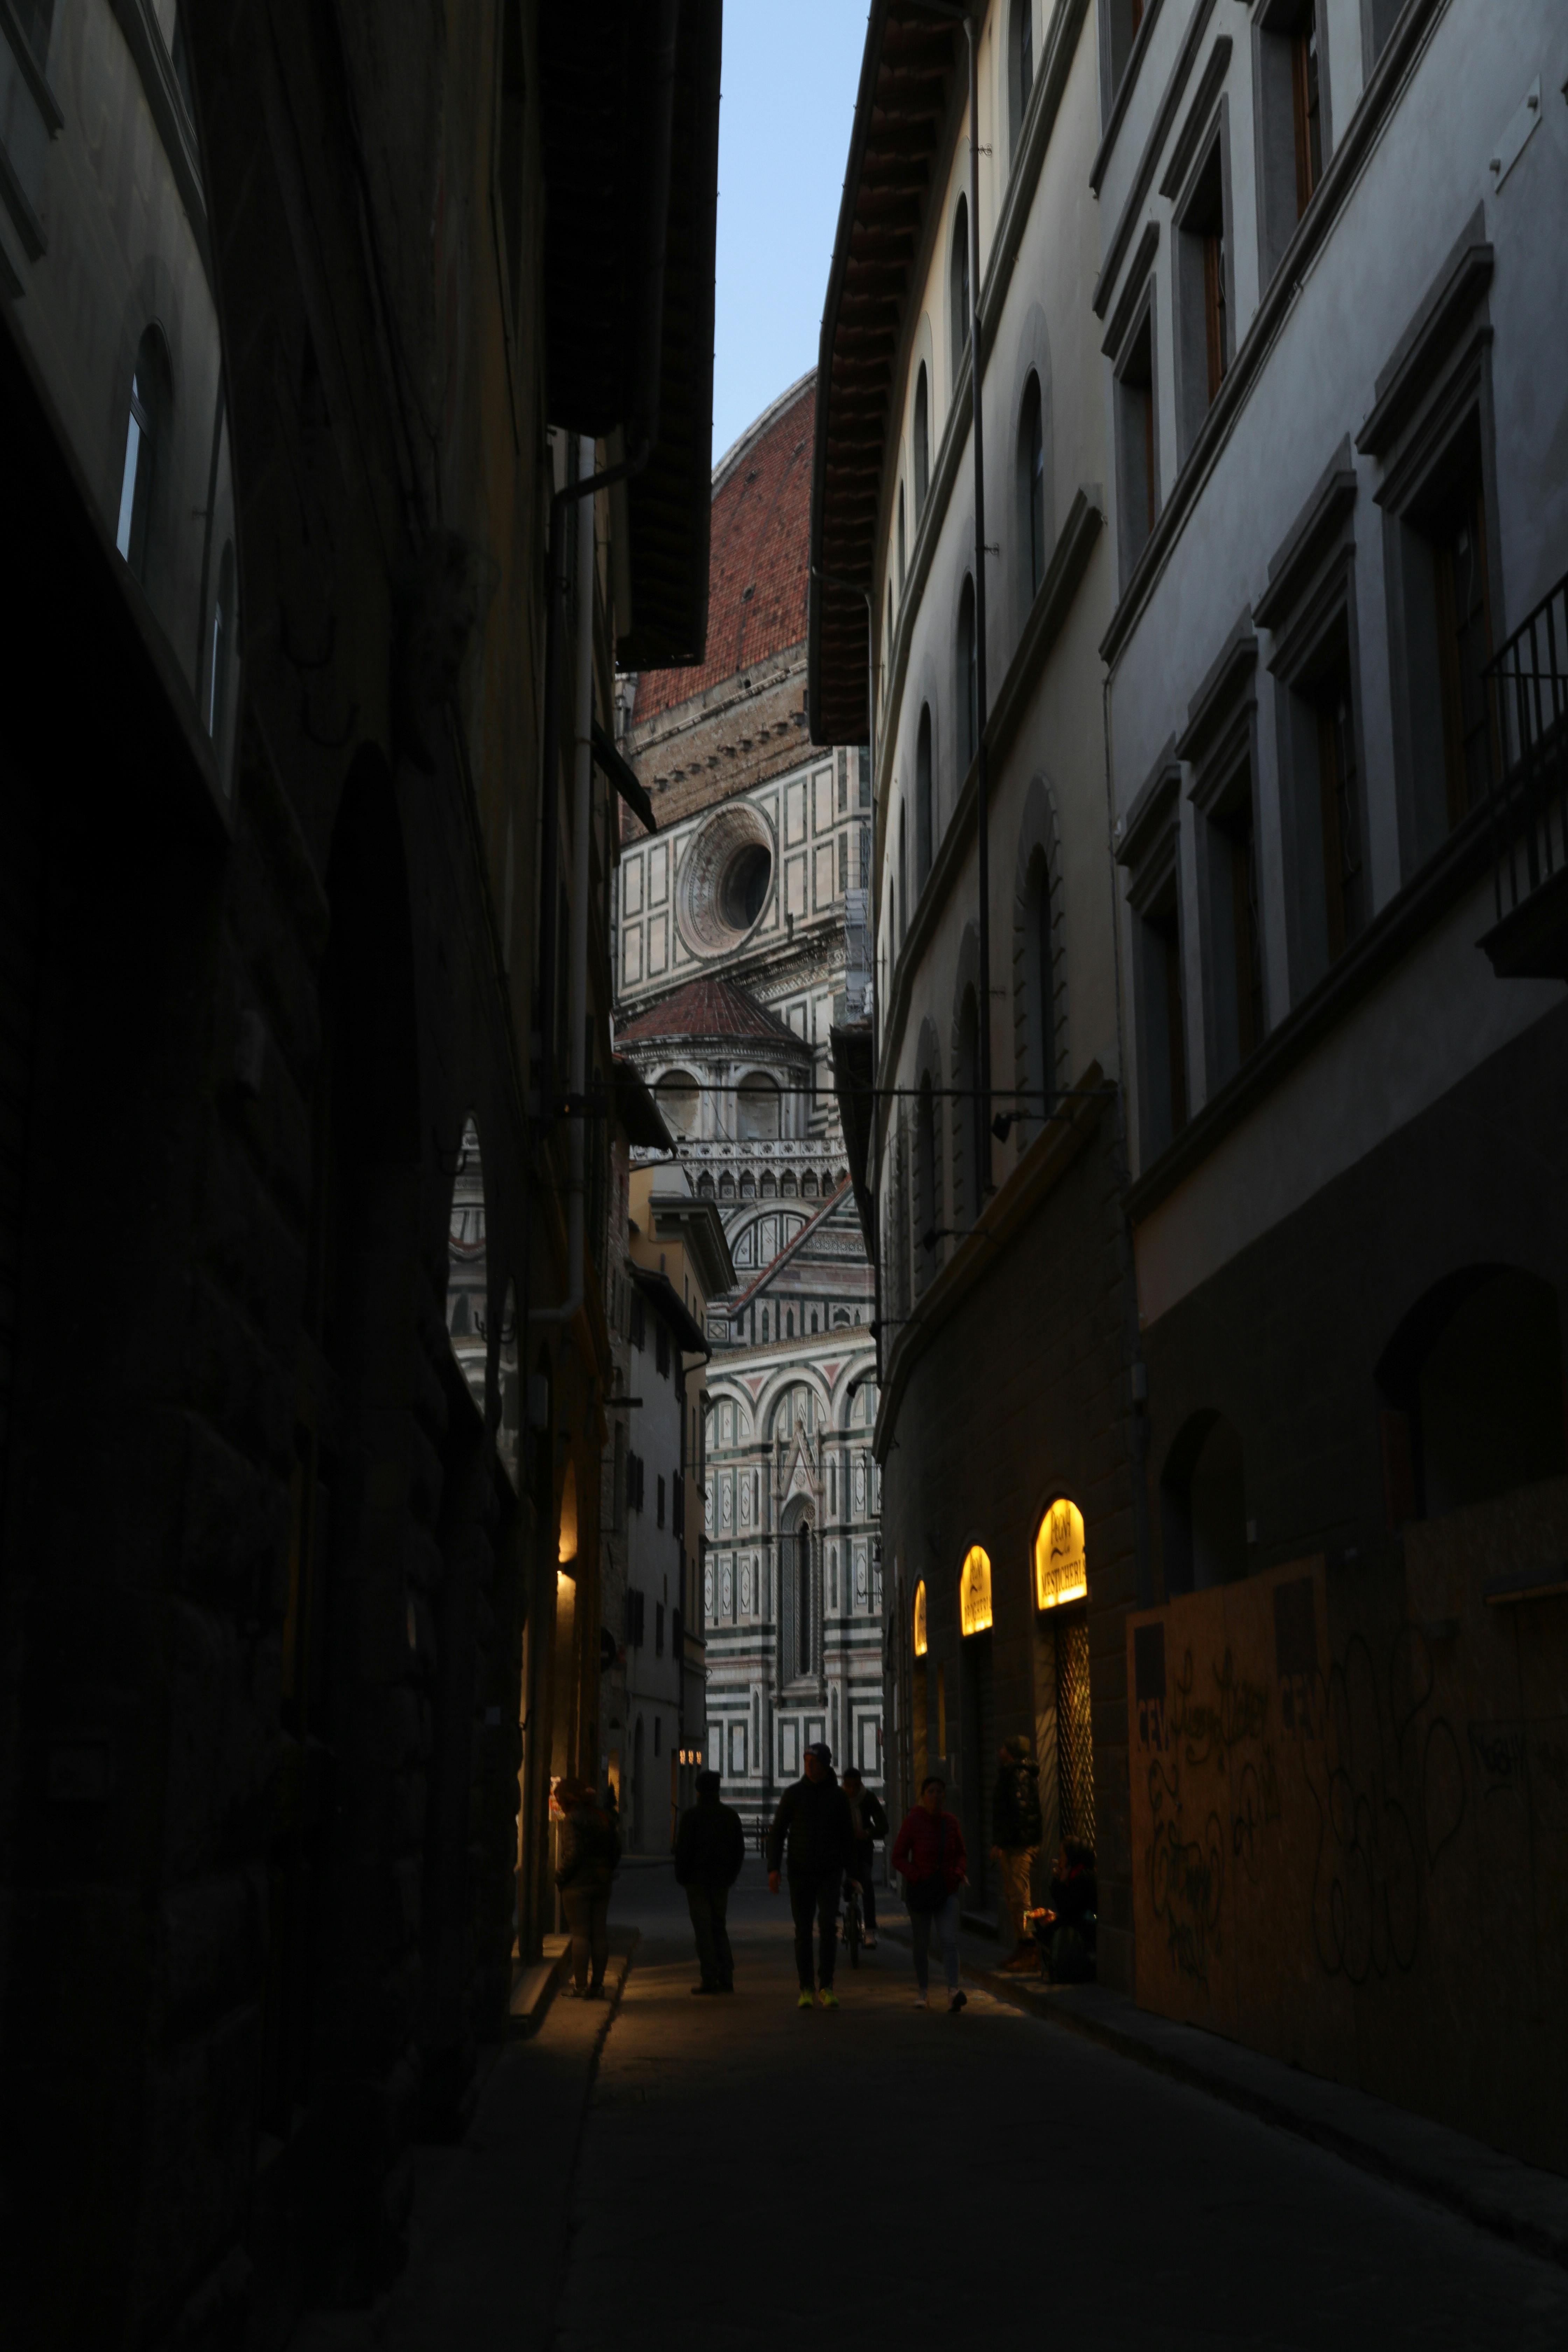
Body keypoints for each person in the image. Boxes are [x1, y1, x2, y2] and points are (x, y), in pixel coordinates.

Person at [766, 1741, 854, 2009]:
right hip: (800, 1871)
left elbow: (847, 1837)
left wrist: (852, 1874)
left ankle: (826, 1986)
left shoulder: (838, 1797)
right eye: (807, 1761)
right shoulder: (794, 1794)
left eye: (814, 1762)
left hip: (829, 1872)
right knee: (803, 1931)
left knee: (828, 1927)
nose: (809, 1765)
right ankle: (806, 1987)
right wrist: (773, 1868)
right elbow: (778, 1832)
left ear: (826, 1765)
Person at [891, 1776, 967, 2012]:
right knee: (921, 1943)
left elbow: (961, 1853)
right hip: (922, 1891)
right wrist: (916, 1875)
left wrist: (958, 1872)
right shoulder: (913, 1821)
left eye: (939, 1792)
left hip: (947, 1889)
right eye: (931, 1791)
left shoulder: (951, 1823)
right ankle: (923, 1991)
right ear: (923, 1796)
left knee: (949, 1941)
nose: (936, 1796)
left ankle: (953, 1990)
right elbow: (898, 1857)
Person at [674, 1768, 745, 1994]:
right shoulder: (730, 1816)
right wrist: (731, 1875)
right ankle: (726, 1976)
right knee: (718, 1926)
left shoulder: (691, 1817)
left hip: (697, 1882)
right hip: (721, 1881)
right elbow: (739, 1850)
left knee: (703, 1930)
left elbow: (683, 1850)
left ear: (698, 1791)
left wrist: (682, 1876)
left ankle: (710, 1977)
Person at [555, 1778, 621, 1998]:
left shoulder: (572, 1819)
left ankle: (581, 1986)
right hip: (602, 1882)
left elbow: (573, 1854)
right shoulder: (603, 1816)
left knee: (581, 1935)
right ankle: (598, 1985)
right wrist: (607, 1869)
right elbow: (616, 1849)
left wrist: (559, 1876)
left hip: (577, 1884)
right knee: (599, 1934)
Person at [990, 1735, 1044, 1970]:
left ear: (1010, 1752)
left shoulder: (1019, 1775)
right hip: (1013, 1845)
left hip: (1020, 1846)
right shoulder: (1010, 1773)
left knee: (1023, 1900)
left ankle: (1031, 1948)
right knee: (1014, 1899)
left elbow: (1018, 1814)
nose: (999, 1750)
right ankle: (1022, 1945)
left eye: (1003, 1747)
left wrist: (1002, 1843)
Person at [841, 1765, 888, 1948]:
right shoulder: (839, 1799)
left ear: (861, 1784)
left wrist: (868, 1833)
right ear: (844, 1785)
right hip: (843, 1849)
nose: (852, 1790)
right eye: (849, 1786)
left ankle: (870, 1930)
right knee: (844, 1881)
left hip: (863, 1849)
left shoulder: (868, 1798)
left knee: (867, 1882)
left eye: (856, 1786)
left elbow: (883, 1826)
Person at [1040, 1836, 1097, 1983]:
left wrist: (1059, 1883)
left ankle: (1058, 1965)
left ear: (1072, 1856)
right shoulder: (1074, 1873)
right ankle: (1039, 1957)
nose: (1060, 1860)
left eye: (1062, 1855)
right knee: (1030, 1920)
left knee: (1044, 1925)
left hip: (1082, 1928)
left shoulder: (1083, 1877)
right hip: (1073, 1921)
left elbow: (1068, 1909)